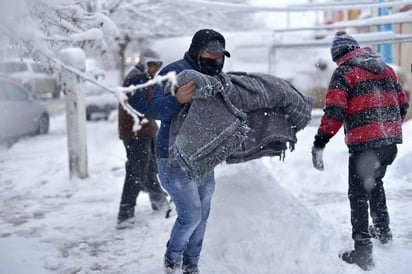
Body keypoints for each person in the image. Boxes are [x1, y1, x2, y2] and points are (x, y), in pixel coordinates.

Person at [128, 29, 230, 274]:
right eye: (211, 53)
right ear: (197, 50)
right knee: (191, 215)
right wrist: (177, 99)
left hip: (204, 157)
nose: (216, 59)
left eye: (220, 55)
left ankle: (191, 263)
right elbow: (154, 110)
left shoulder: (216, 78)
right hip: (174, 157)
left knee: (203, 215)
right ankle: (173, 258)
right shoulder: (173, 73)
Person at [311, 31, 409, 271]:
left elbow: (334, 112)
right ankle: (383, 232)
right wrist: (387, 128)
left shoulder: (344, 72)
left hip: (365, 145)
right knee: (375, 184)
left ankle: (363, 252)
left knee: (358, 195)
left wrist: (320, 142)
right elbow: (402, 104)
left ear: (338, 56)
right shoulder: (386, 69)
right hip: (389, 143)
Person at [116, 48, 169, 229]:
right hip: (135, 132)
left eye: (157, 65)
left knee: (149, 167)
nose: (155, 68)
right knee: (136, 171)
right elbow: (138, 105)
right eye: (152, 64)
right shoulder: (136, 79)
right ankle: (125, 214)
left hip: (145, 130)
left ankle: (159, 201)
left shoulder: (144, 77)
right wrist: (159, 106)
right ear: (145, 63)